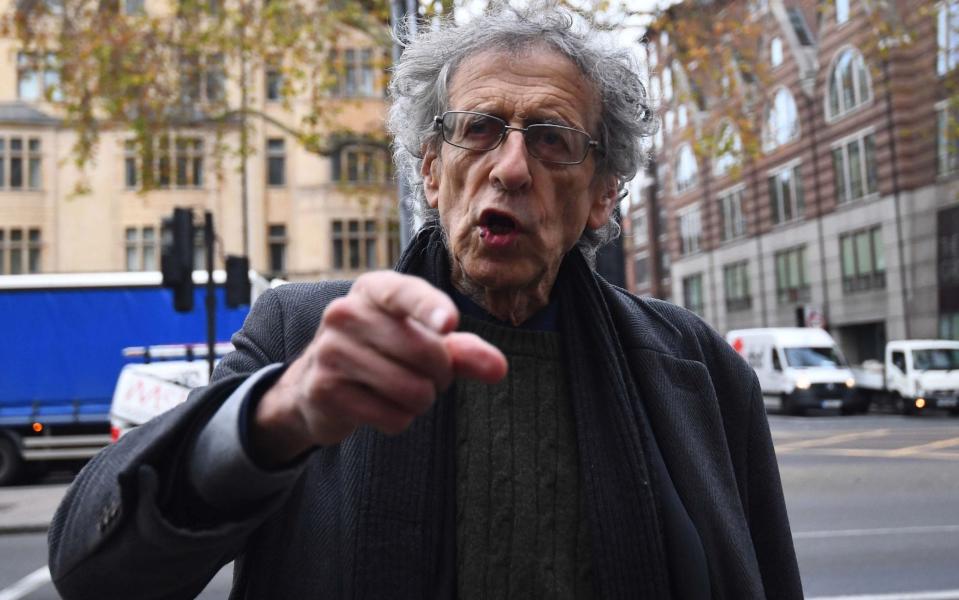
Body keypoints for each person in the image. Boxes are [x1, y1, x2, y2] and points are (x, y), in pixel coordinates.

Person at [48, 5, 803, 599]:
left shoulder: (696, 367)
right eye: (479, 130)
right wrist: (273, 418)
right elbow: (93, 570)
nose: (509, 167)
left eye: (550, 139)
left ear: (602, 195)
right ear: (432, 173)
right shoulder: (302, 334)